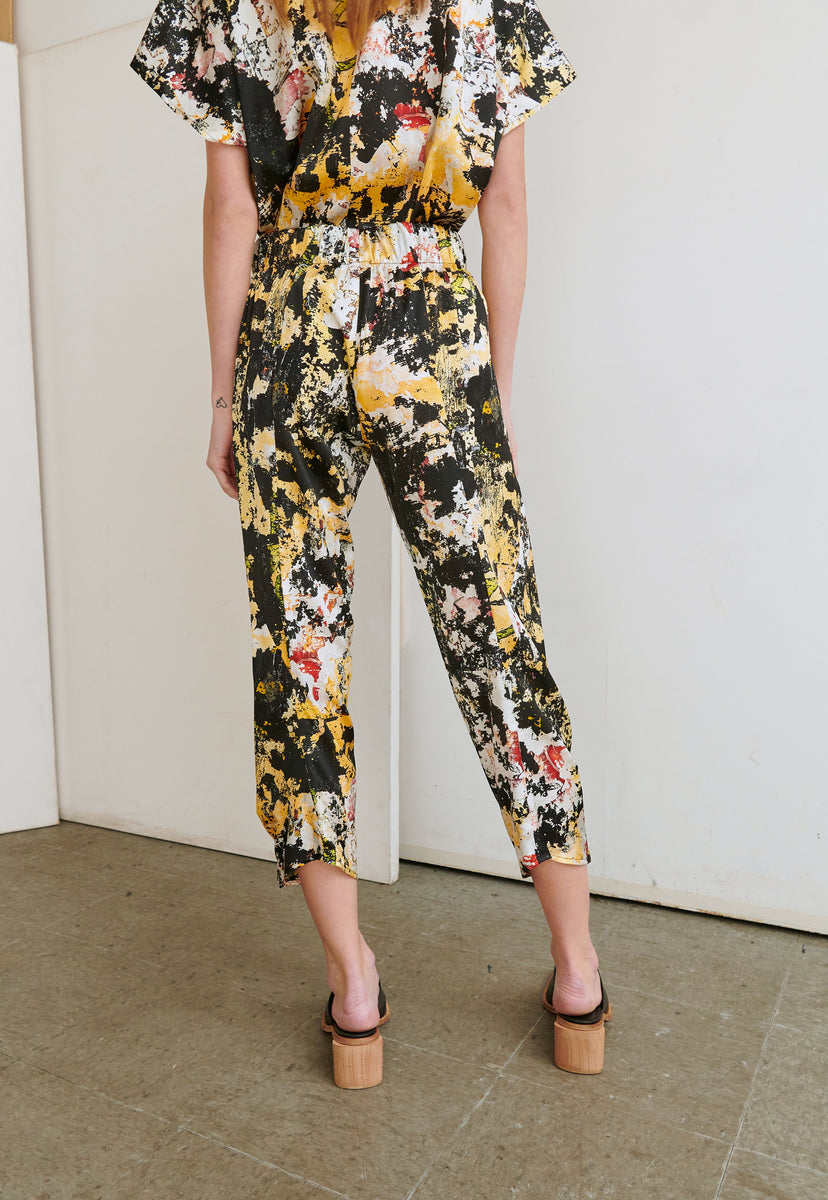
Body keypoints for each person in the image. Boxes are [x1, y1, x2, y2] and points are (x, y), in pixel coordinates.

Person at [130, 0, 610, 1088]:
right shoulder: (487, 10)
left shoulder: (226, 7)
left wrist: (220, 399)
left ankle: (354, 990)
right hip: (431, 324)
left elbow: (228, 207)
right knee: (500, 639)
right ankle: (577, 973)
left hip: (288, 335)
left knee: (302, 656)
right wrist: (488, 390)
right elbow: (509, 207)